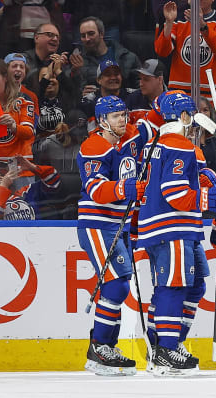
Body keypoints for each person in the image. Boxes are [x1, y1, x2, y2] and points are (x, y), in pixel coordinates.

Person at [136, 92, 216, 376]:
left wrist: (206, 178)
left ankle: (164, 343)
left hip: (166, 226)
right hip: (172, 226)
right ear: (185, 116)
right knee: (173, 286)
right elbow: (174, 192)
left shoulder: (155, 144)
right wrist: (209, 200)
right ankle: (166, 349)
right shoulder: (179, 144)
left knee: (194, 285)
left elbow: (179, 178)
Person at [77, 95, 147, 376]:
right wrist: (124, 190)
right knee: (116, 286)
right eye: (116, 116)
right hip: (97, 224)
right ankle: (100, 348)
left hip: (118, 224)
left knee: (117, 286)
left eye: (123, 114)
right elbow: (96, 191)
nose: (123, 119)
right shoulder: (93, 146)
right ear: (102, 120)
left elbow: (151, 125)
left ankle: (105, 347)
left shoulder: (128, 136)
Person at [155, 1, 216, 106]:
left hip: (210, 98)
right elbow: (162, 51)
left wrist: (201, 24)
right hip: (179, 96)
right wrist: (169, 22)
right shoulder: (177, 21)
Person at [0, 155, 61, 220]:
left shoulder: (25, 192)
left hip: (34, 236)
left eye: (0, 176)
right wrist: (4, 184)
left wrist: (33, 168)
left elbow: (54, 180)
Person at [76, 16, 141, 90]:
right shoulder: (79, 62)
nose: (87, 39)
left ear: (101, 34)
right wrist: (82, 95)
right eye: (83, 36)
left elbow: (141, 87)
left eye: (91, 34)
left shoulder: (127, 57)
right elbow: (76, 90)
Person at [79, 59, 133, 130]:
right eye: (108, 75)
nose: (113, 78)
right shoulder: (89, 101)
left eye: (116, 74)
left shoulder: (132, 96)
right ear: (99, 80)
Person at [126, 59, 167, 123]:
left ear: (160, 79)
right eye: (140, 79)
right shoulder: (133, 99)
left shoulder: (171, 100)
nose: (141, 84)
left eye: (146, 79)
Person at [4, 53, 40, 123]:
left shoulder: (31, 96)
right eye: (14, 66)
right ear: (5, 70)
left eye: (22, 67)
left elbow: (34, 123)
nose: (18, 69)